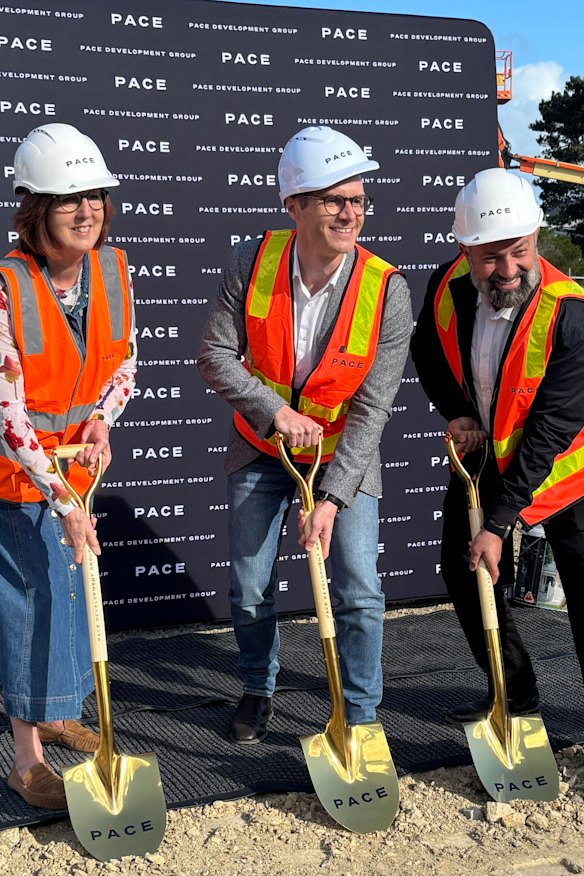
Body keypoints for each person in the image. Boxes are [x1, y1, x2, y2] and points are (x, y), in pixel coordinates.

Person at [198, 125, 413, 743]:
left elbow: (373, 409)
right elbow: (215, 354)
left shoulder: (387, 290)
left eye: (358, 200)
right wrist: (275, 412)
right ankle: (257, 689)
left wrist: (334, 496)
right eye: (333, 200)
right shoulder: (251, 260)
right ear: (294, 205)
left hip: (345, 452)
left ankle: (362, 716)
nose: (350, 213)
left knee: (359, 590)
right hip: (263, 448)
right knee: (250, 584)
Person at [411, 167, 584, 723]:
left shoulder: (571, 312)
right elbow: (427, 353)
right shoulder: (447, 287)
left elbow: (552, 429)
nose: (508, 271)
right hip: (489, 460)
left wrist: (497, 523)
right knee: (464, 571)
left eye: (520, 252)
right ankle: (513, 695)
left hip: (568, 474)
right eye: (490, 258)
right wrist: (459, 412)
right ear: (464, 250)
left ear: (536, 238)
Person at [0, 123, 137, 808]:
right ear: (34, 211)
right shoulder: (5, 286)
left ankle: (57, 713)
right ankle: (24, 755)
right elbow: (8, 413)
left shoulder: (113, 272)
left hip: (74, 474)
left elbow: (126, 362)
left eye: (95, 197)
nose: (87, 213)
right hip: (18, 478)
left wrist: (103, 420)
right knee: (32, 603)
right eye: (66, 201)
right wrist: (63, 500)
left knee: (69, 602)